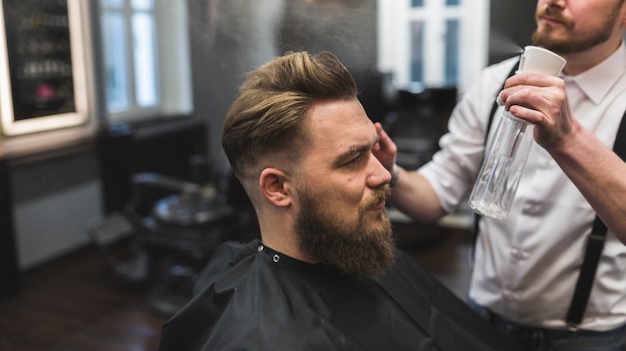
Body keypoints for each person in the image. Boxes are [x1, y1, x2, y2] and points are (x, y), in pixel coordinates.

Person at [157, 51, 525, 351]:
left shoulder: (353, 246)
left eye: (373, 150)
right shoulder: (257, 337)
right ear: (278, 189)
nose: (384, 175)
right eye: (352, 159)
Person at [373, 0, 626, 350]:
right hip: (479, 321)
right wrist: (390, 172)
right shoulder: (494, 82)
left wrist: (567, 139)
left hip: (589, 338)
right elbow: (437, 194)